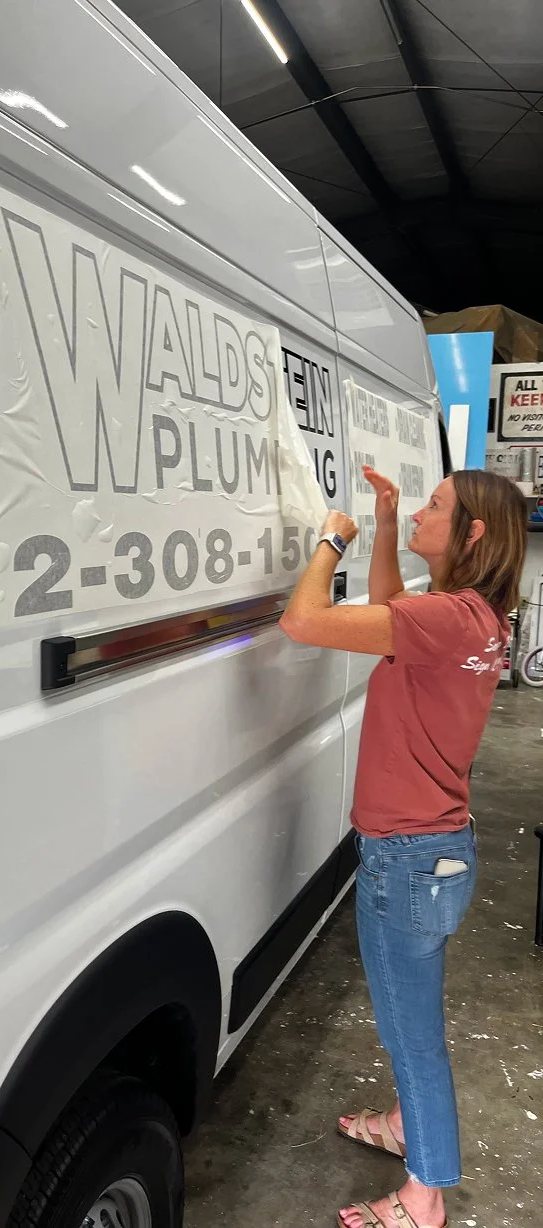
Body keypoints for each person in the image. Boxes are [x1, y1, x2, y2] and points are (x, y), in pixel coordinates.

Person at [279, 465, 528, 1228]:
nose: (422, 512)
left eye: (435, 507)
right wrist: (386, 524)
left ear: (473, 533)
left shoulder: (449, 619)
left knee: (412, 1037)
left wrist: (333, 539)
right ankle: (401, 1125)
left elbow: (304, 622)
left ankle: (425, 1197)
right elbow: (391, 611)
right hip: (435, 852)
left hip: (408, 859)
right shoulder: (474, 617)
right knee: (410, 1019)